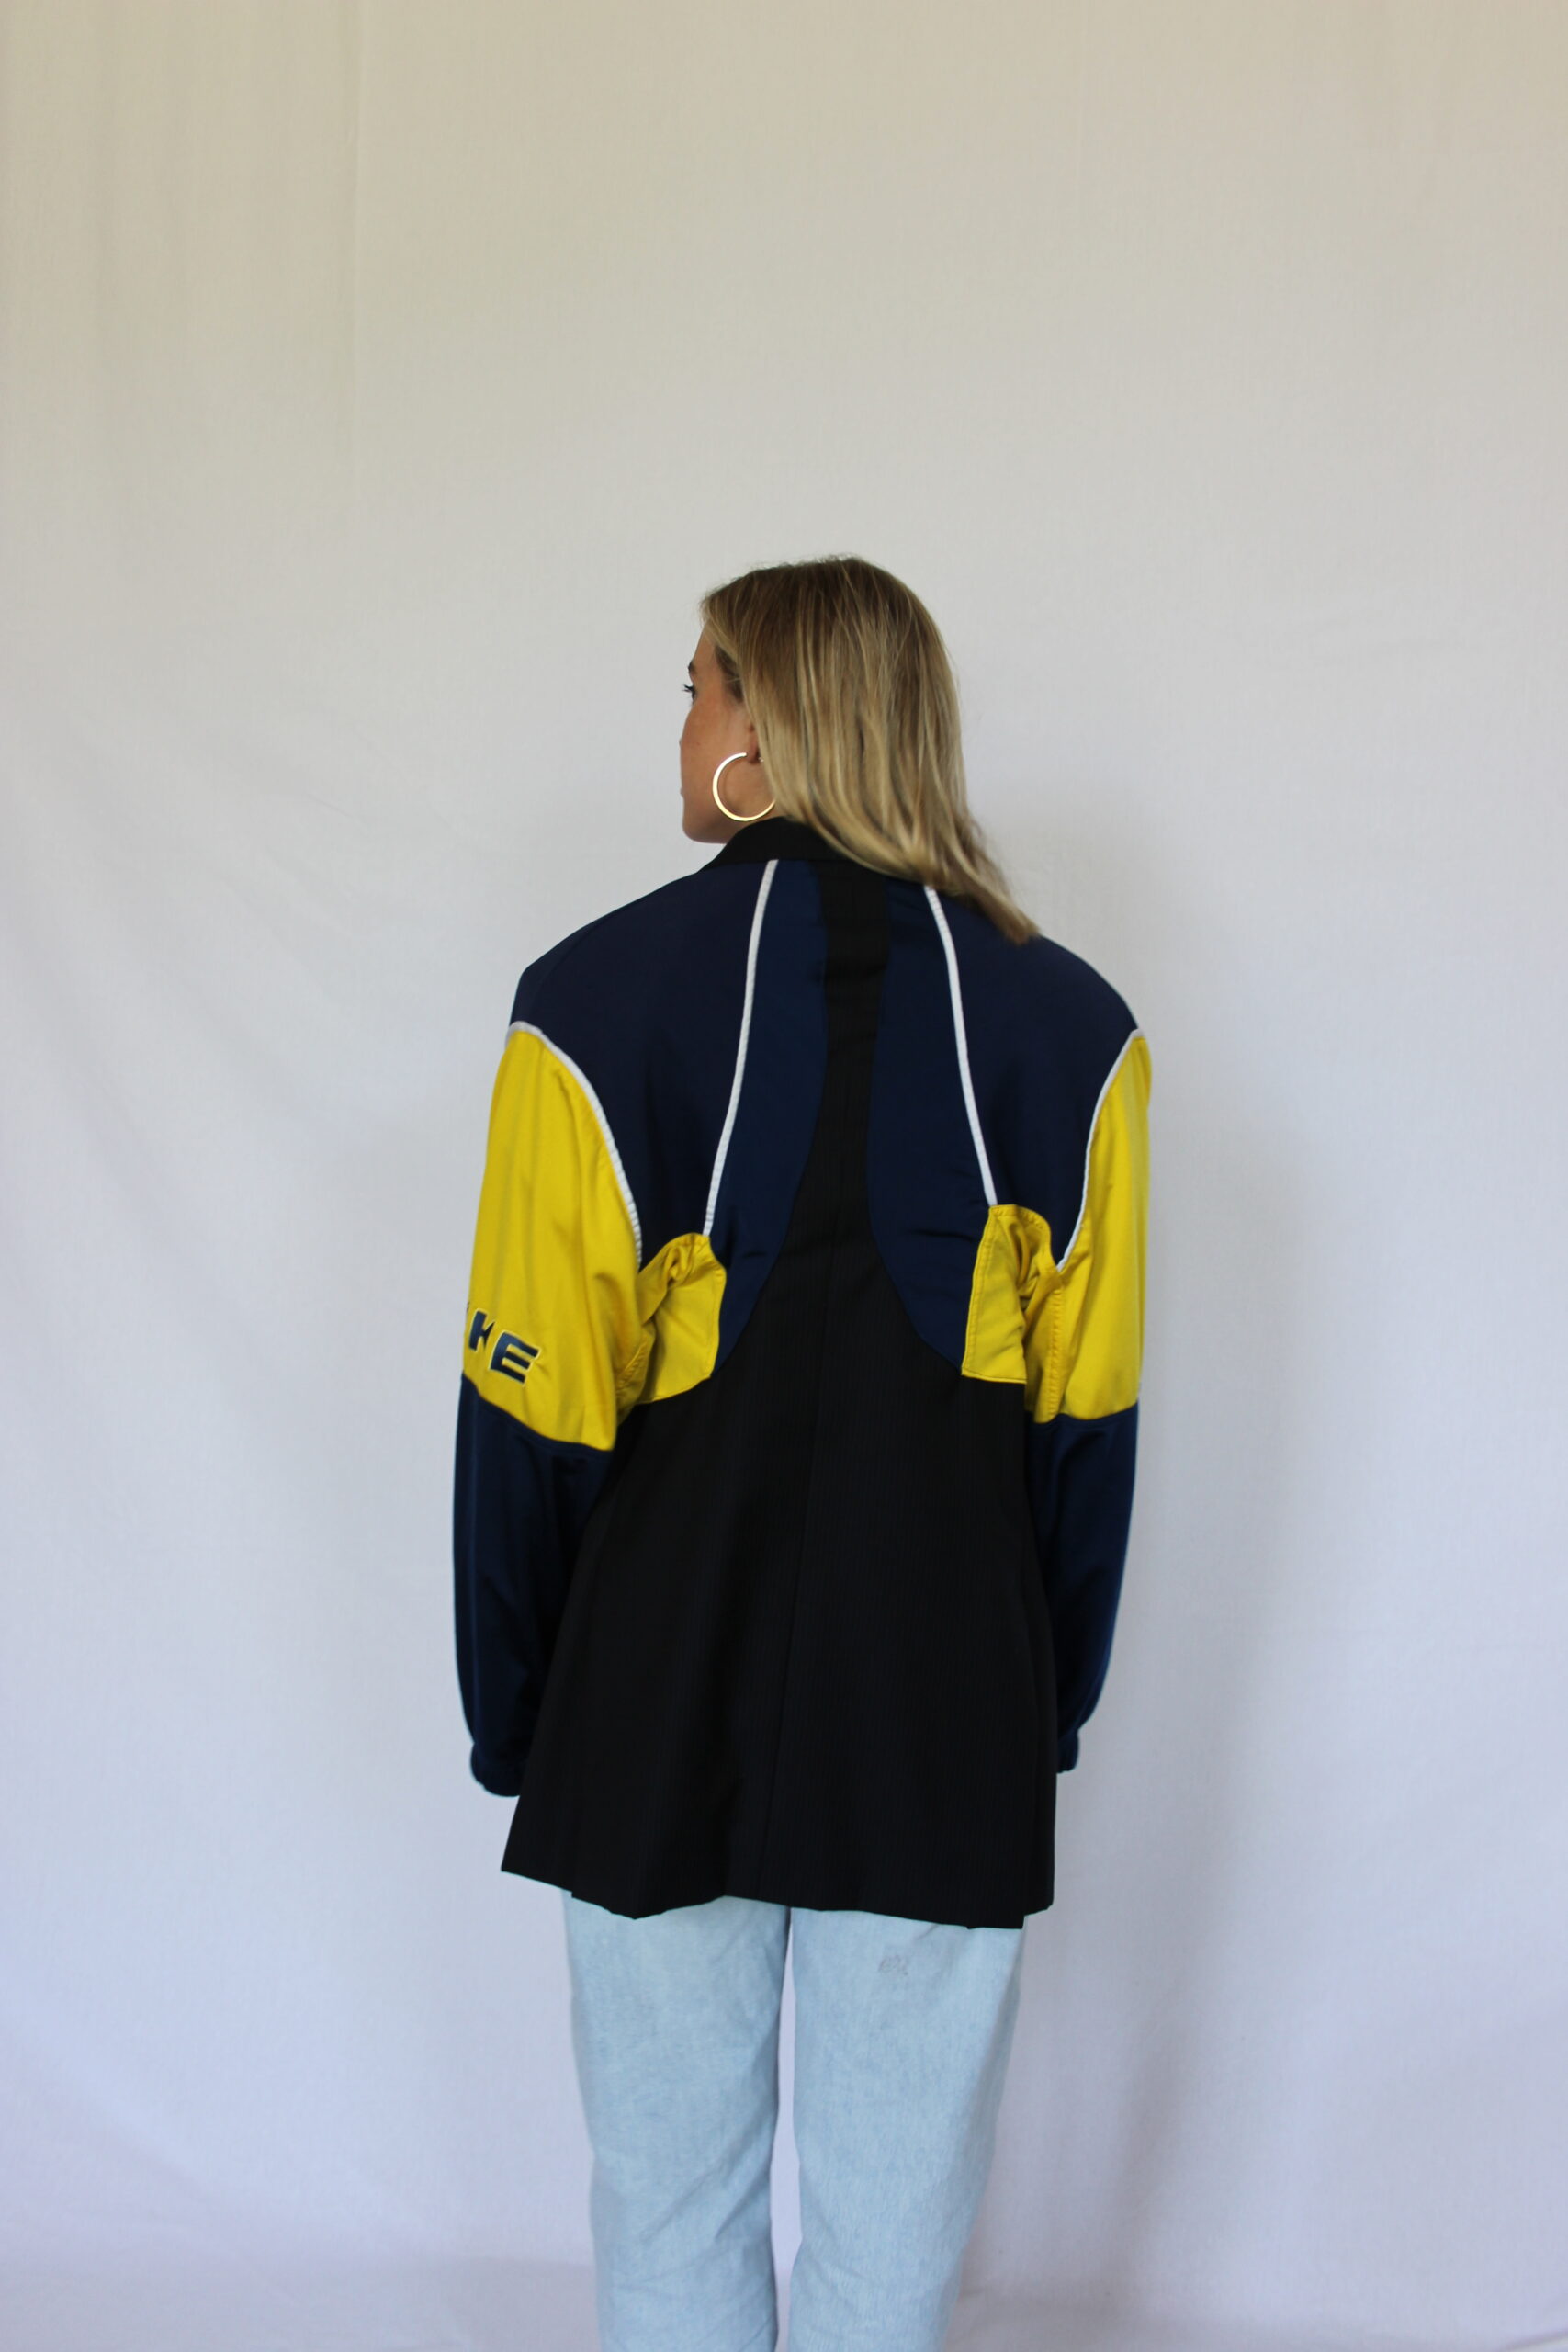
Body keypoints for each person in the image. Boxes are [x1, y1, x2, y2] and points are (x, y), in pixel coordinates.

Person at [453, 555, 1151, 2352]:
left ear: (772, 725)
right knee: (894, 2235)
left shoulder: (587, 1003)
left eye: (700, 682)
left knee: (666, 2205)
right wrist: (1041, 1704)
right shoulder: (1077, 1032)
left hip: (646, 1693)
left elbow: (528, 1415)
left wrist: (517, 1710)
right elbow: (1086, 1432)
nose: (681, 719)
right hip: (945, 1705)